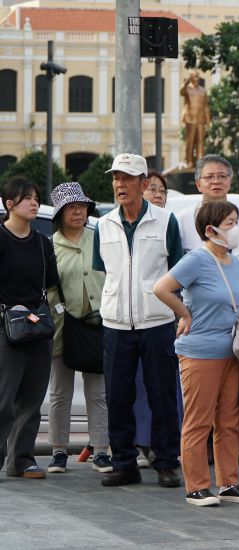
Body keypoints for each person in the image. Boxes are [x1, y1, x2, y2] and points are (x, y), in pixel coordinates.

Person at [154, 200, 239, 507]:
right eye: (229, 223)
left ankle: (228, 483)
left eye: (236, 222)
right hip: (199, 352)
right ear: (210, 229)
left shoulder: (233, 262)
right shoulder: (196, 260)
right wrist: (184, 314)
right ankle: (196, 486)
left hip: (232, 352)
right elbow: (161, 288)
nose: (235, 229)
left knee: (228, 421)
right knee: (198, 421)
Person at [93, 153, 184, 488]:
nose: (120, 185)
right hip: (116, 323)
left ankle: (166, 463)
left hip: (158, 322)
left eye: (128, 178)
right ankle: (124, 463)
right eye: (116, 178)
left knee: (161, 395)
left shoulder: (166, 221)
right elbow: (105, 271)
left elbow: (177, 272)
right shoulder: (103, 224)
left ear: (144, 184)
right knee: (117, 396)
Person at [46, 182, 111, 474]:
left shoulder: (100, 239)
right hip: (62, 327)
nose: (77, 212)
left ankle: (100, 450)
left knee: (98, 392)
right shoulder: (50, 246)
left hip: (98, 325)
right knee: (60, 392)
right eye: (71, 207)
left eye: (82, 206)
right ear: (60, 213)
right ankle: (59, 451)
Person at [0, 176, 58, 479]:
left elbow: (50, 286)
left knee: (33, 400)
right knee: (3, 400)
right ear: (10, 204)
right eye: (27, 198)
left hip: (37, 326)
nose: (35, 203)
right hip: (5, 326)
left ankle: (22, 460)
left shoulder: (41, 242)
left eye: (36, 198)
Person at [177, 154, 239, 276]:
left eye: (222, 176)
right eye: (209, 177)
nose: (216, 181)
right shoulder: (182, 220)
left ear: (230, 181)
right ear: (198, 185)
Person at [136, 168, 168, 467]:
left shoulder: (170, 226)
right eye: (153, 189)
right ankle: (141, 444)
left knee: (163, 387)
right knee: (140, 387)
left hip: (165, 318)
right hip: (132, 320)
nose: (157, 194)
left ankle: (162, 446)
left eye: (162, 191)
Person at [180, 70, 211, 168]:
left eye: (198, 76)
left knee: (200, 142)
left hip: (201, 120)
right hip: (190, 119)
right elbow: (181, 92)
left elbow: (206, 106)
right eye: (195, 76)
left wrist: (208, 121)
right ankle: (189, 161)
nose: (197, 78)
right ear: (191, 78)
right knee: (190, 141)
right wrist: (186, 82)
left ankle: (200, 162)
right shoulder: (187, 89)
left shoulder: (203, 90)